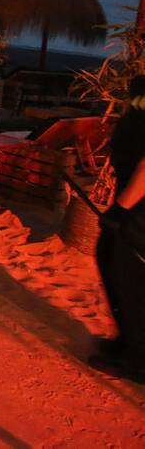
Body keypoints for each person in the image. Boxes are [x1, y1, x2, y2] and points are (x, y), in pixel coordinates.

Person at [91, 76, 145, 384]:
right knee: (111, 261)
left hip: (138, 207)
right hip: (131, 199)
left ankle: (138, 359)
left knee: (129, 276)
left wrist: (121, 209)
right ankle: (128, 343)